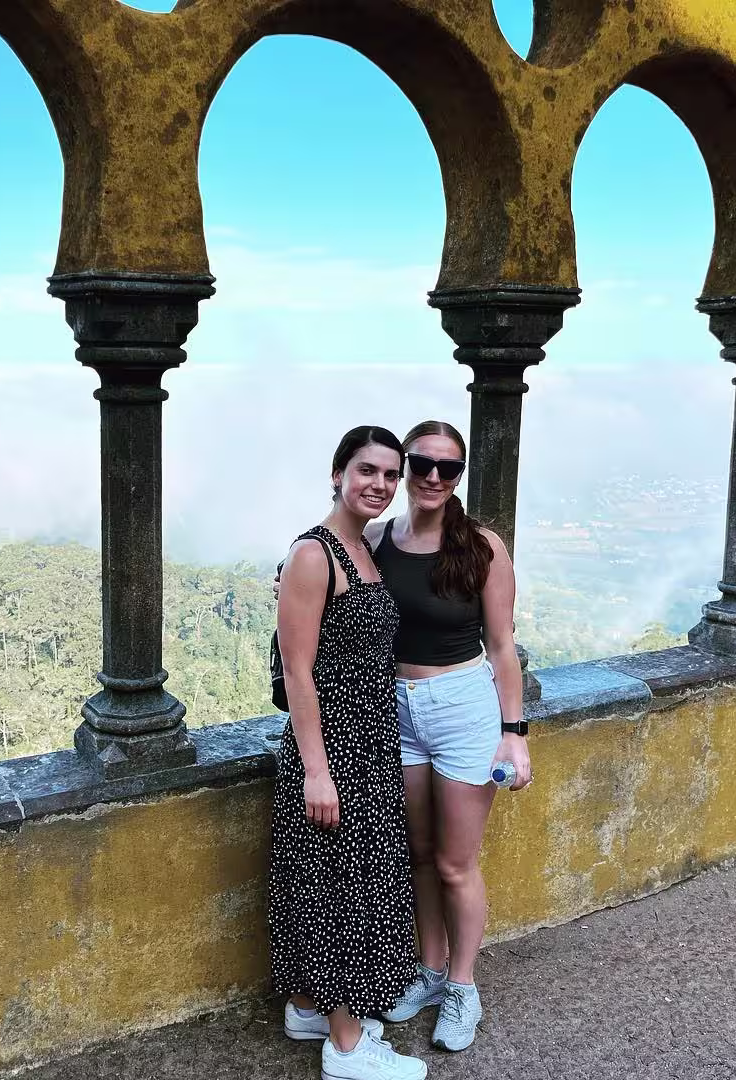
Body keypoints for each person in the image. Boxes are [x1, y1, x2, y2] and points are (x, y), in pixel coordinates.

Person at [269, 425, 427, 1080]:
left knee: (340, 880)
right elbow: (298, 671)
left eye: (391, 475)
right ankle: (346, 1044)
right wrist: (316, 770)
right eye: (367, 471)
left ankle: (308, 1003)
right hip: (331, 747)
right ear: (337, 474)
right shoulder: (316, 554)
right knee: (341, 891)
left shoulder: (364, 548)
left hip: (368, 743)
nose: (381, 485)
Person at [372, 419, 532, 1053]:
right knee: (418, 856)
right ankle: (430, 970)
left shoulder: (480, 546)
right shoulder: (381, 541)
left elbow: (502, 645)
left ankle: (463, 986)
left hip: (463, 706)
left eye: (449, 468)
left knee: (455, 862)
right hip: (398, 707)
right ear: (404, 468)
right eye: (422, 463)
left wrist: (513, 733)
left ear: (459, 477)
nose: (434, 476)